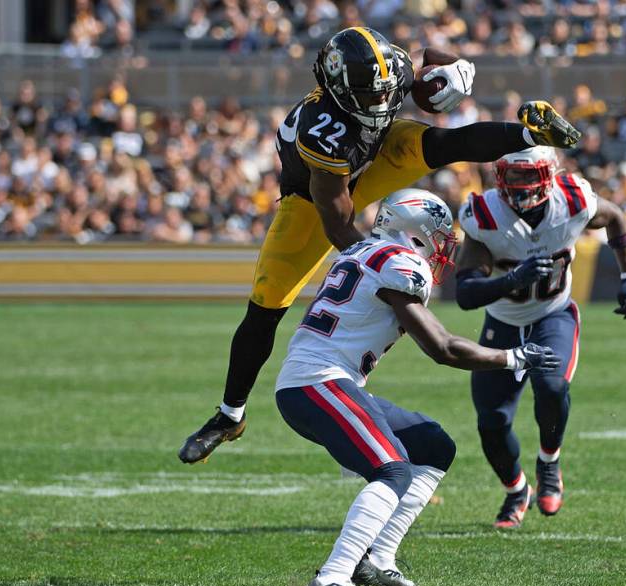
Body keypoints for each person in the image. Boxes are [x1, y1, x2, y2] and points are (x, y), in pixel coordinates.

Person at [177, 27, 581, 464]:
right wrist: (382, 265)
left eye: (385, 92)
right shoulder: (323, 133)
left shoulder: (387, 71)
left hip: (373, 154)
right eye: (370, 97)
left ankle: (528, 135)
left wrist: (460, 71)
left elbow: (431, 56)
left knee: (440, 144)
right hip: (317, 200)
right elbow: (338, 223)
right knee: (266, 302)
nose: (383, 103)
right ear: (340, 90)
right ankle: (229, 415)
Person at [276, 190, 560, 586]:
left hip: (323, 381)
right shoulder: (399, 263)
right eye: (441, 237)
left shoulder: (360, 252)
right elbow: (442, 348)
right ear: (418, 234)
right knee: (392, 471)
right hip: (319, 382)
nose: (444, 248)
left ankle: (378, 558)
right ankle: (335, 573)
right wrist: (512, 357)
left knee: (432, 445)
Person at [454, 146, 626, 528]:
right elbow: (465, 294)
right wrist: (510, 280)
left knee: (552, 385)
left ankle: (549, 463)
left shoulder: (572, 200)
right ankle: (516, 490)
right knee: (492, 421)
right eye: (512, 175)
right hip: (502, 322)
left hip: (553, 314)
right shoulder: (485, 213)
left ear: (548, 174)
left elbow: (617, 218)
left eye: (528, 175)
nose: (519, 186)